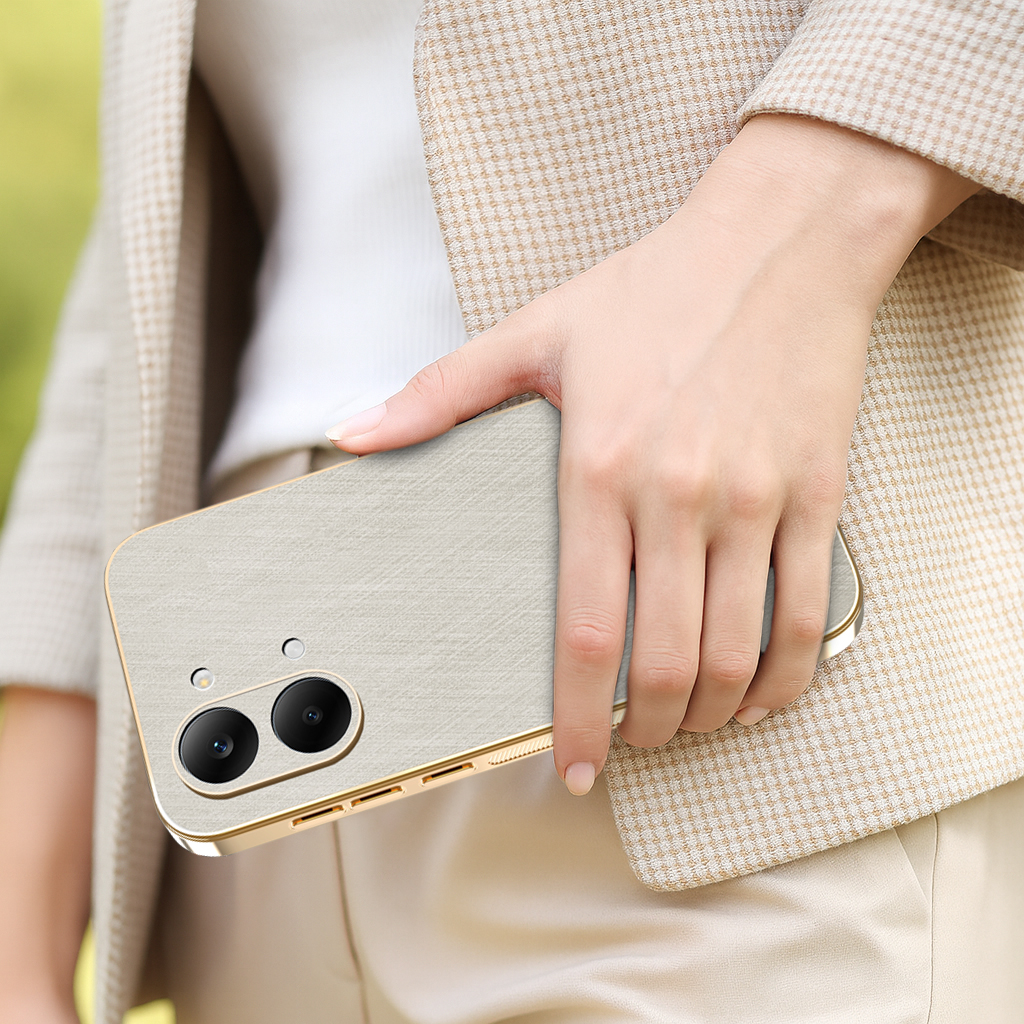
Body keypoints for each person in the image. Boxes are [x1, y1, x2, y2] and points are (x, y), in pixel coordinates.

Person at [1, 0, 1023, 1021]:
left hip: (710, 665)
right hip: (265, 765)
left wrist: (796, 222)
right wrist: (18, 935)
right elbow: (141, 274)